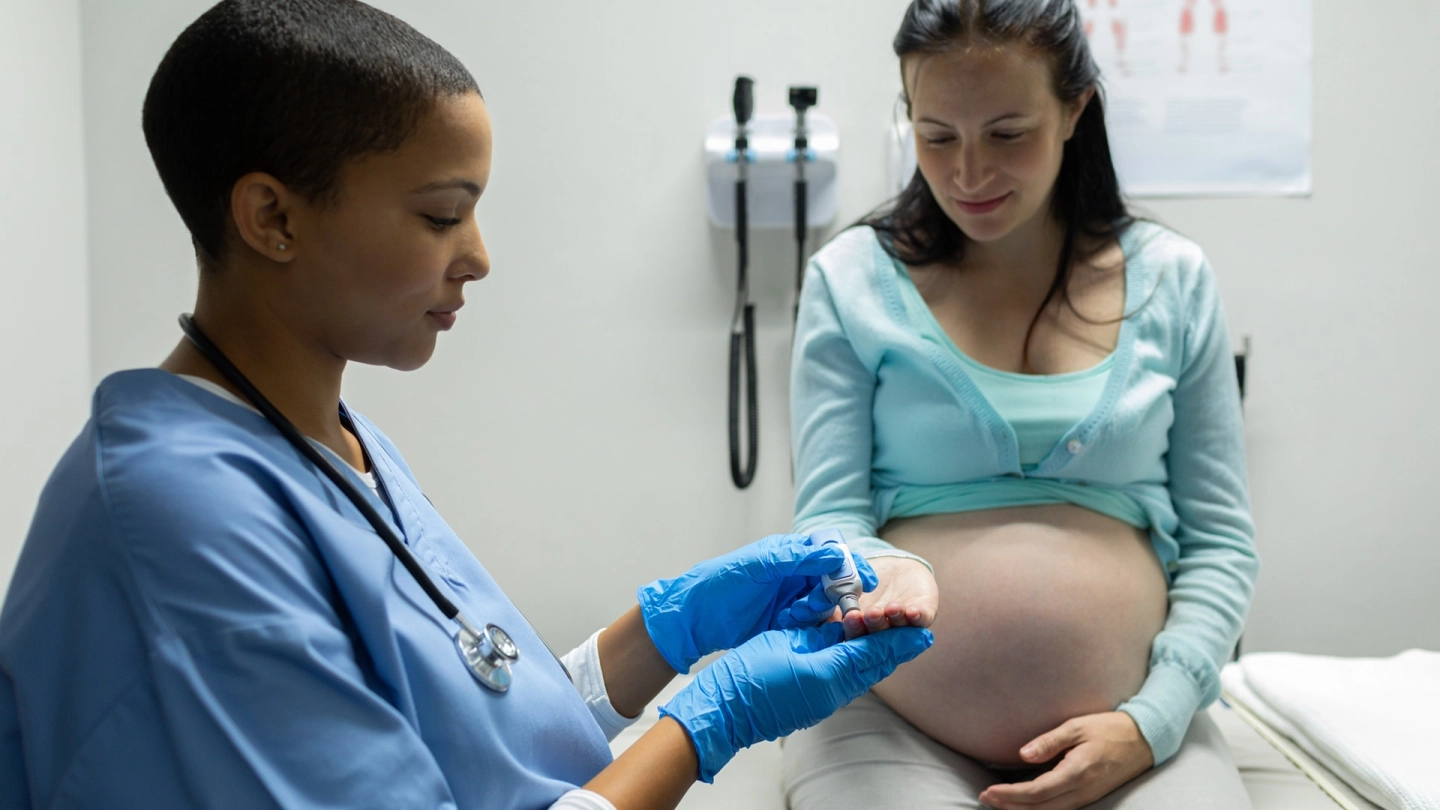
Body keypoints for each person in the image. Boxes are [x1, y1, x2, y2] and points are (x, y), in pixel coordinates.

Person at [0, 2, 933, 808]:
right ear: (273, 219)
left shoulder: (327, 441)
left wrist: (665, 633)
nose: (478, 256)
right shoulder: (181, 520)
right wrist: (704, 726)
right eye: (443, 215)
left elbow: (477, 726)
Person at [781, 1, 1259, 808]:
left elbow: (1222, 544)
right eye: (937, 136)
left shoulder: (1173, 280)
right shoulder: (850, 280)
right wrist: (879, 574)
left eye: (1007, 134)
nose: (969, 173)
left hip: (1134, 729)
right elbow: (826, 522)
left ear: (1077, 109)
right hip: (894, 717)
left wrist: (1153, 720)